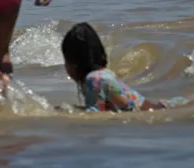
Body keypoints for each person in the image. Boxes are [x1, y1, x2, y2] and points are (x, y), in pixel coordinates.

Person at [62, 22, 191, 112]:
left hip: (155, 112)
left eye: (66, 60)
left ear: (74, 63)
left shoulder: (94, 80)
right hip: (162, 107)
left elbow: (95, 116)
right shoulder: (103, 74)